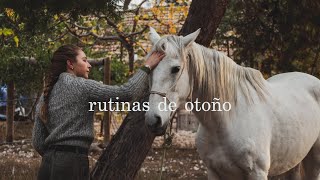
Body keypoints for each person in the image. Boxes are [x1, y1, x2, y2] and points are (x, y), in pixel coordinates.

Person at [32, 44, 164, 180]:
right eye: (84, 60)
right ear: (70, 64)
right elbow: (126, 92)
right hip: (72, 164)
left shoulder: (44, 96)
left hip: (47, 166)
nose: (89, 65)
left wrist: (54, 157)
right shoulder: (82, 86)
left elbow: (37, 141)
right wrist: (147, 66)